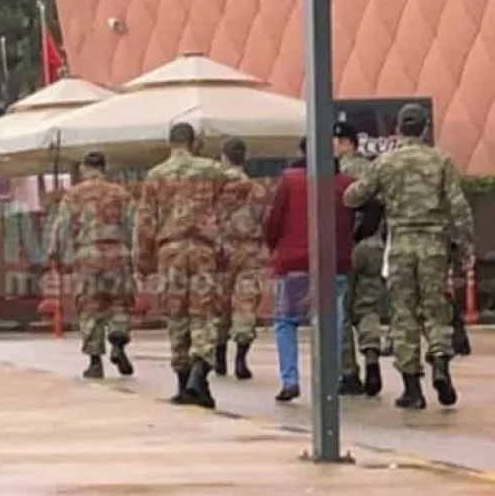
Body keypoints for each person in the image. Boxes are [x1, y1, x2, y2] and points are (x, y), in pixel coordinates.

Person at [344, 103, 474, 410]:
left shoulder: (385, 162)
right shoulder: (441, 160)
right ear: (425, 128)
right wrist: (465, 247)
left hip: (400, 244)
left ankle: (412, 388)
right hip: (434, 245)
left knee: (403, 313)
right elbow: (458, 207)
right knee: (435, 308)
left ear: (398, 128)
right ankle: (440, 363)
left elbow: (353, 197)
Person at [133, 122, 224, 409]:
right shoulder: (212, 170)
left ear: (169, 143)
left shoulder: (155, 175)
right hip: (202, 248)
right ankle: (200, 370)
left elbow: (145, 223)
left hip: (169, 251)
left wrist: (143, 260)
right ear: (194, 142)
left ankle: (184, 381)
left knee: (176, 313)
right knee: (203, 312)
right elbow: (231, 205)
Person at [263, 137, 354, 402]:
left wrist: (276, 247)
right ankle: (330, 379)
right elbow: (367, 210)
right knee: (331, 322)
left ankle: (290, 380)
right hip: (334, 262)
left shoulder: (290, 180)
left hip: (295, 261)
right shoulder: (345, 182)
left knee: (286, 321)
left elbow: (274, 219)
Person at [48, 151, 135, 379]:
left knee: (90, 307)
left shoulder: (73, 195)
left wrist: (56, 254)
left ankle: (95, 362)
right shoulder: (121, 194)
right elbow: (134, 226)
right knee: (119, 303)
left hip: (87, 256)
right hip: (118, 254)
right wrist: (136, 255)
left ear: (85, 169)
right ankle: (118, 340)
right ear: (105, 168)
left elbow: (62, 226)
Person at [333, 121, 384, 396]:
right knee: (368, 306)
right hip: (374, 245)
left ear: (345, 142)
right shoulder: (373, 168)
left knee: (341, 309)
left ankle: (349, 372)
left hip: (349, 245)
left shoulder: (339, 172)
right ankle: (372, 355)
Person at [214, 137, 270, 379]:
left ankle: (218, 355)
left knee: (219, 302)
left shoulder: (214, 186)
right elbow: (265, 221)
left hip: (220, 249)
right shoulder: (257, 190)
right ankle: (241, 358)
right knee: (245, 302)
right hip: (249, 250)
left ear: (223, 157)